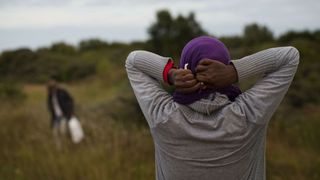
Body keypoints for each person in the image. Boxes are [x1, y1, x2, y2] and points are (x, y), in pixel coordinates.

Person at [125, 36, 299, 180]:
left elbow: (134, 61)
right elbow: (289, 56)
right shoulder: (248, 114)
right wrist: (234, 72)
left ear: (186, 67)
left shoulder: (163, 116)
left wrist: (171, 74)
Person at [47, 78, 74, 148]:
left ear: (56, 86)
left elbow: (70, 100)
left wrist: (69, 112)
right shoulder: (50, 96)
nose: (52, 89)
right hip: (56, 117)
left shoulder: (62, 92)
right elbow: (50, 105)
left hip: (64, 116)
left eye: (53, 87)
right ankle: (59, 148)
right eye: (50, 88)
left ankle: (65, 146)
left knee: (63, 132)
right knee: (55, 133)